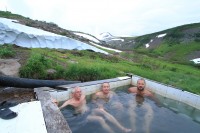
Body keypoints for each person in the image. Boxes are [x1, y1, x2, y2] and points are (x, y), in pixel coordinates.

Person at [57, 86, 131, 133]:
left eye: (80, 91)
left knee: (103, 111)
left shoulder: (83, 96)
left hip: (90, 111)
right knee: (100, 119)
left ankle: (122, 128)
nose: (79, 93)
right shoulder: (70, 102)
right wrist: (56, 104)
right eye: (77, 92)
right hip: (83, 116)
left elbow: (93, 96)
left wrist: (99, 105)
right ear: (73, 94)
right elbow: (59, 108)